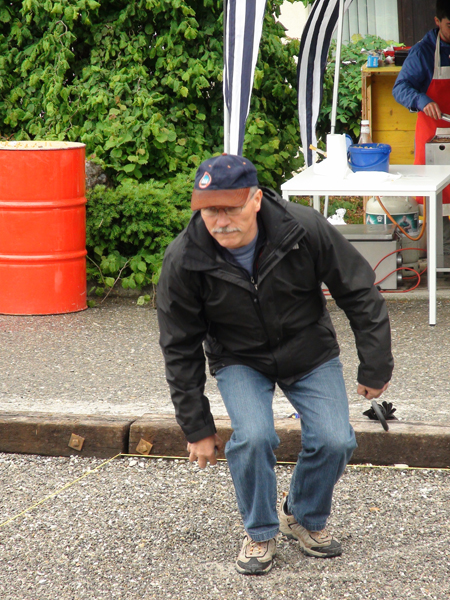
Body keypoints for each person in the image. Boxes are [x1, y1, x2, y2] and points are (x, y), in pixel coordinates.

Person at [157, 153, 393, 575]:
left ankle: (301, 515)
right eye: (209, 210)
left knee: (336, 440)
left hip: (309, 350)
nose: (220, 221)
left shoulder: (303, 228)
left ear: (255, 200)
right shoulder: (184, 258)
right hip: (239, 358)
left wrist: (375, 365)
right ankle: (260, 530)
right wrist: (197, 427)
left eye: (230, 208)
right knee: (253, 438)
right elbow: (179, 346)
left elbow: (358, 290)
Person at [392, 0, 450, 248]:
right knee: (438, 202)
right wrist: (421, 100)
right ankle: (441, 254)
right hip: (433, 140)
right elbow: (400, 88)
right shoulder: (423, 52)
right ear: (437, 22)